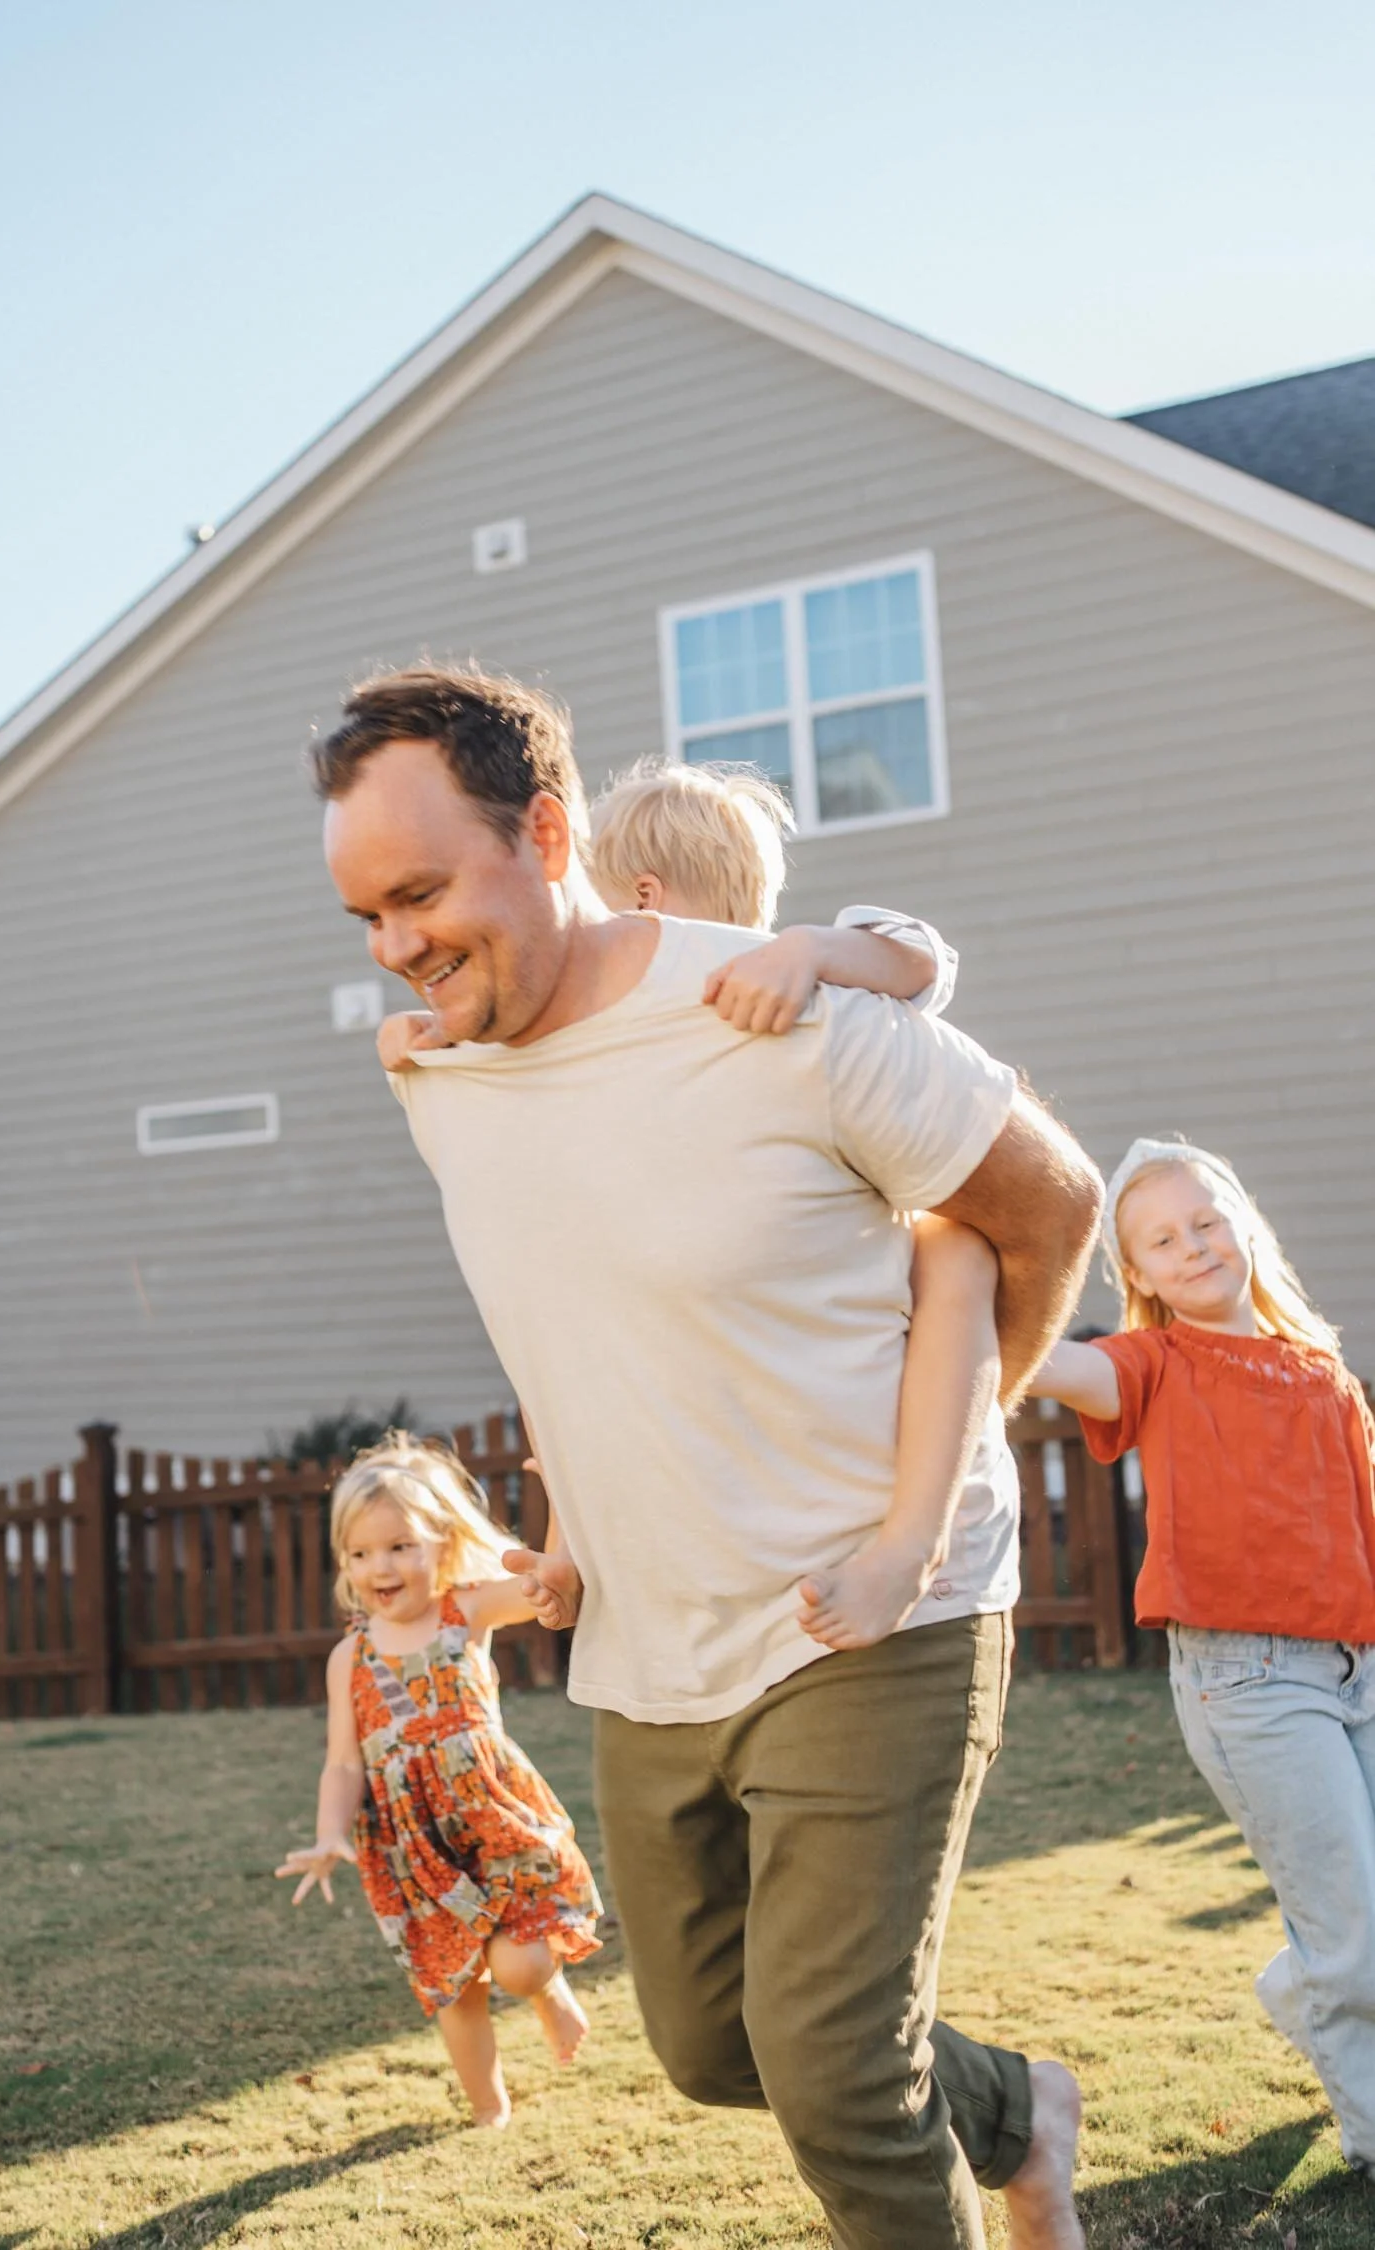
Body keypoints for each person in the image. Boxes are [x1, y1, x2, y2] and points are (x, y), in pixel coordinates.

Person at [316, 664, 1103, 2250]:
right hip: (647, 1644)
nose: (398, 944)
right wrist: (562, 1522)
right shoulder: (441, 1080)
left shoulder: (784, 1007)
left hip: (876, 1613)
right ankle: (1021, 2109)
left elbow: (1049, 1206)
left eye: (422, 891)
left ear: (547, 831)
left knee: (832, 2068)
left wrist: (929, 1485)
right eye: (366, 916)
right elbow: (588, 1318)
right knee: (712, 2047)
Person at [379, 754, 997, 1657]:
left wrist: (810, 948)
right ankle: (571, 1555)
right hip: (694, 1381)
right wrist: (436, 1033)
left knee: (959, 1248)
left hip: (848, 1327)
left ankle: (913, 1540)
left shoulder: (796, 983)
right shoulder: (612, 1061)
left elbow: (920, 955)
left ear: (642, 898)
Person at [1029, 1139, 1375, 2175]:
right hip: (1251, 1682)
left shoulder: (1322, 1368)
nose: (1192, 1248)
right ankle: (1371, 2137)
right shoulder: (1155, 1363)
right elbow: (1061, 1368)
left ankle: (1296, 1987)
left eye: (1206, 1222)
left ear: (1243, 1224)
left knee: (1358, 1919)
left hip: (1358, 1663)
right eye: (1162, 1241)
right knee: (1354, 1922)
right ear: (1137, 1274)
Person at [275, 1431, 599, 2130]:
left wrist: (561, 1501)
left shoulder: (465, 1612)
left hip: (490, 1822)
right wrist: (331, 1835)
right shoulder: (349, 1659)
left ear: (442, 1544)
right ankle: (489, 2111)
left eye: (399, 1546)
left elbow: (547, 1580)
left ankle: (548, 1993)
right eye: (359, 1553)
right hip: (411, 1851)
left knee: (517, 1965)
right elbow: (343, 1762)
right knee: (457, 1985)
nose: (378, 1566)